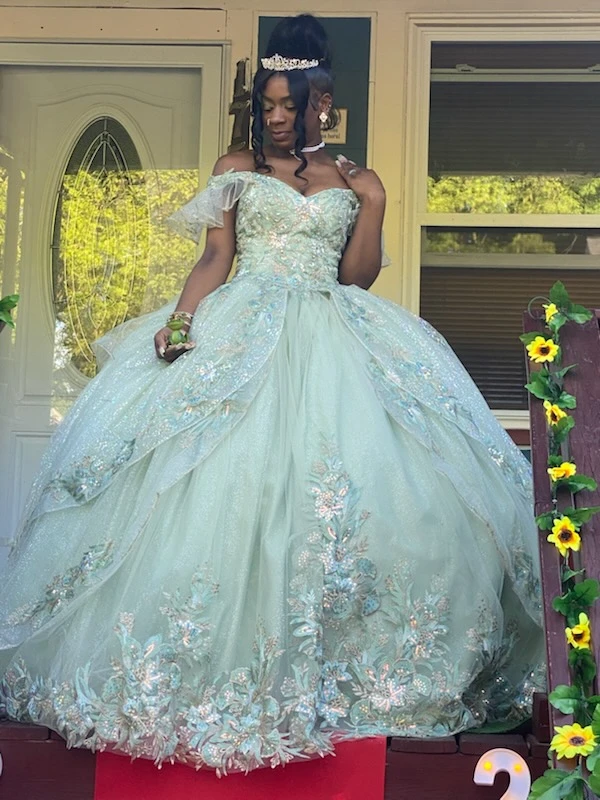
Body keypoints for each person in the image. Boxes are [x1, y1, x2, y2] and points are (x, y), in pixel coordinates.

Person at [0, 14, 544, 775]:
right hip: (242, 326)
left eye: (290, 104)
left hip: (333, 330)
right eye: (268, 104)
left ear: (323, 101)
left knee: (352, 495)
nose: (277, 117)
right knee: (205, 489)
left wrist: (374, 202)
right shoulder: (237, 166)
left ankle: (343, 681)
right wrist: (182, 321)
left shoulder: (352, 179)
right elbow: (215, 256)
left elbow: (356, 276)